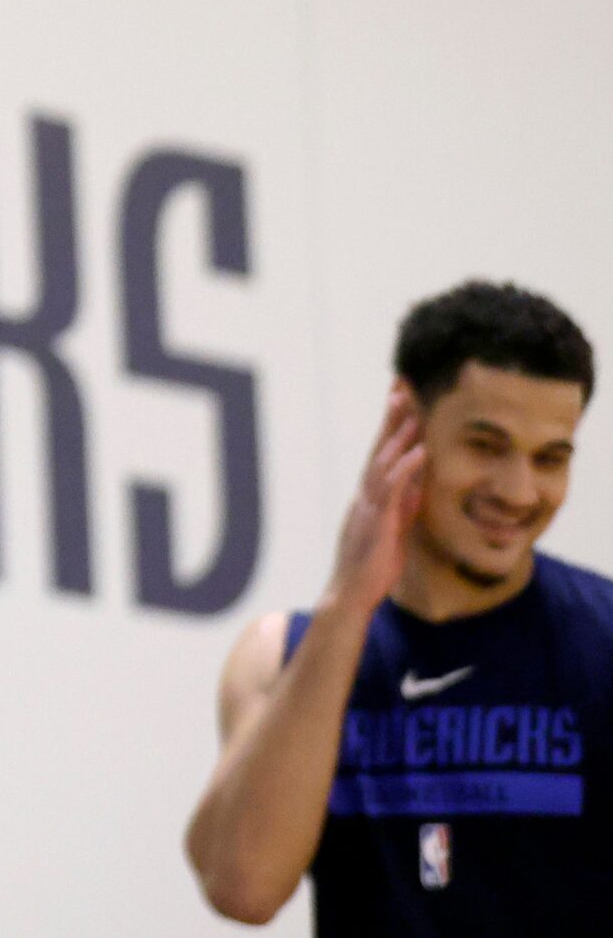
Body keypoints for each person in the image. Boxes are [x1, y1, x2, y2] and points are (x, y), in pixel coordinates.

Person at [186, 280, 609, 931]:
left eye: (550, 458)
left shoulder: (602, 641)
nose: (519, 491)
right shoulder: (282, 657)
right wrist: (348, 603)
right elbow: (244, 887)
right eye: (486, 446)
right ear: (406, 422)